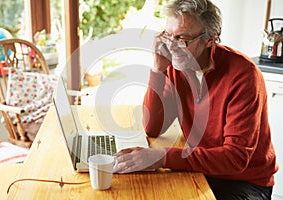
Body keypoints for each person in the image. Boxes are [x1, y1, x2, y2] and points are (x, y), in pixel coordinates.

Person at [113, 0, 278, 199]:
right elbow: (152, 127)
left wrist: (163, 157)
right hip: (202, 168)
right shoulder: (176, 65)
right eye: (168, 36)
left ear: (210, 39)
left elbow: (235, 158)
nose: (171, 47)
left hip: (244, 182)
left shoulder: (243, 75)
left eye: (182, 39)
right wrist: (158, 70)